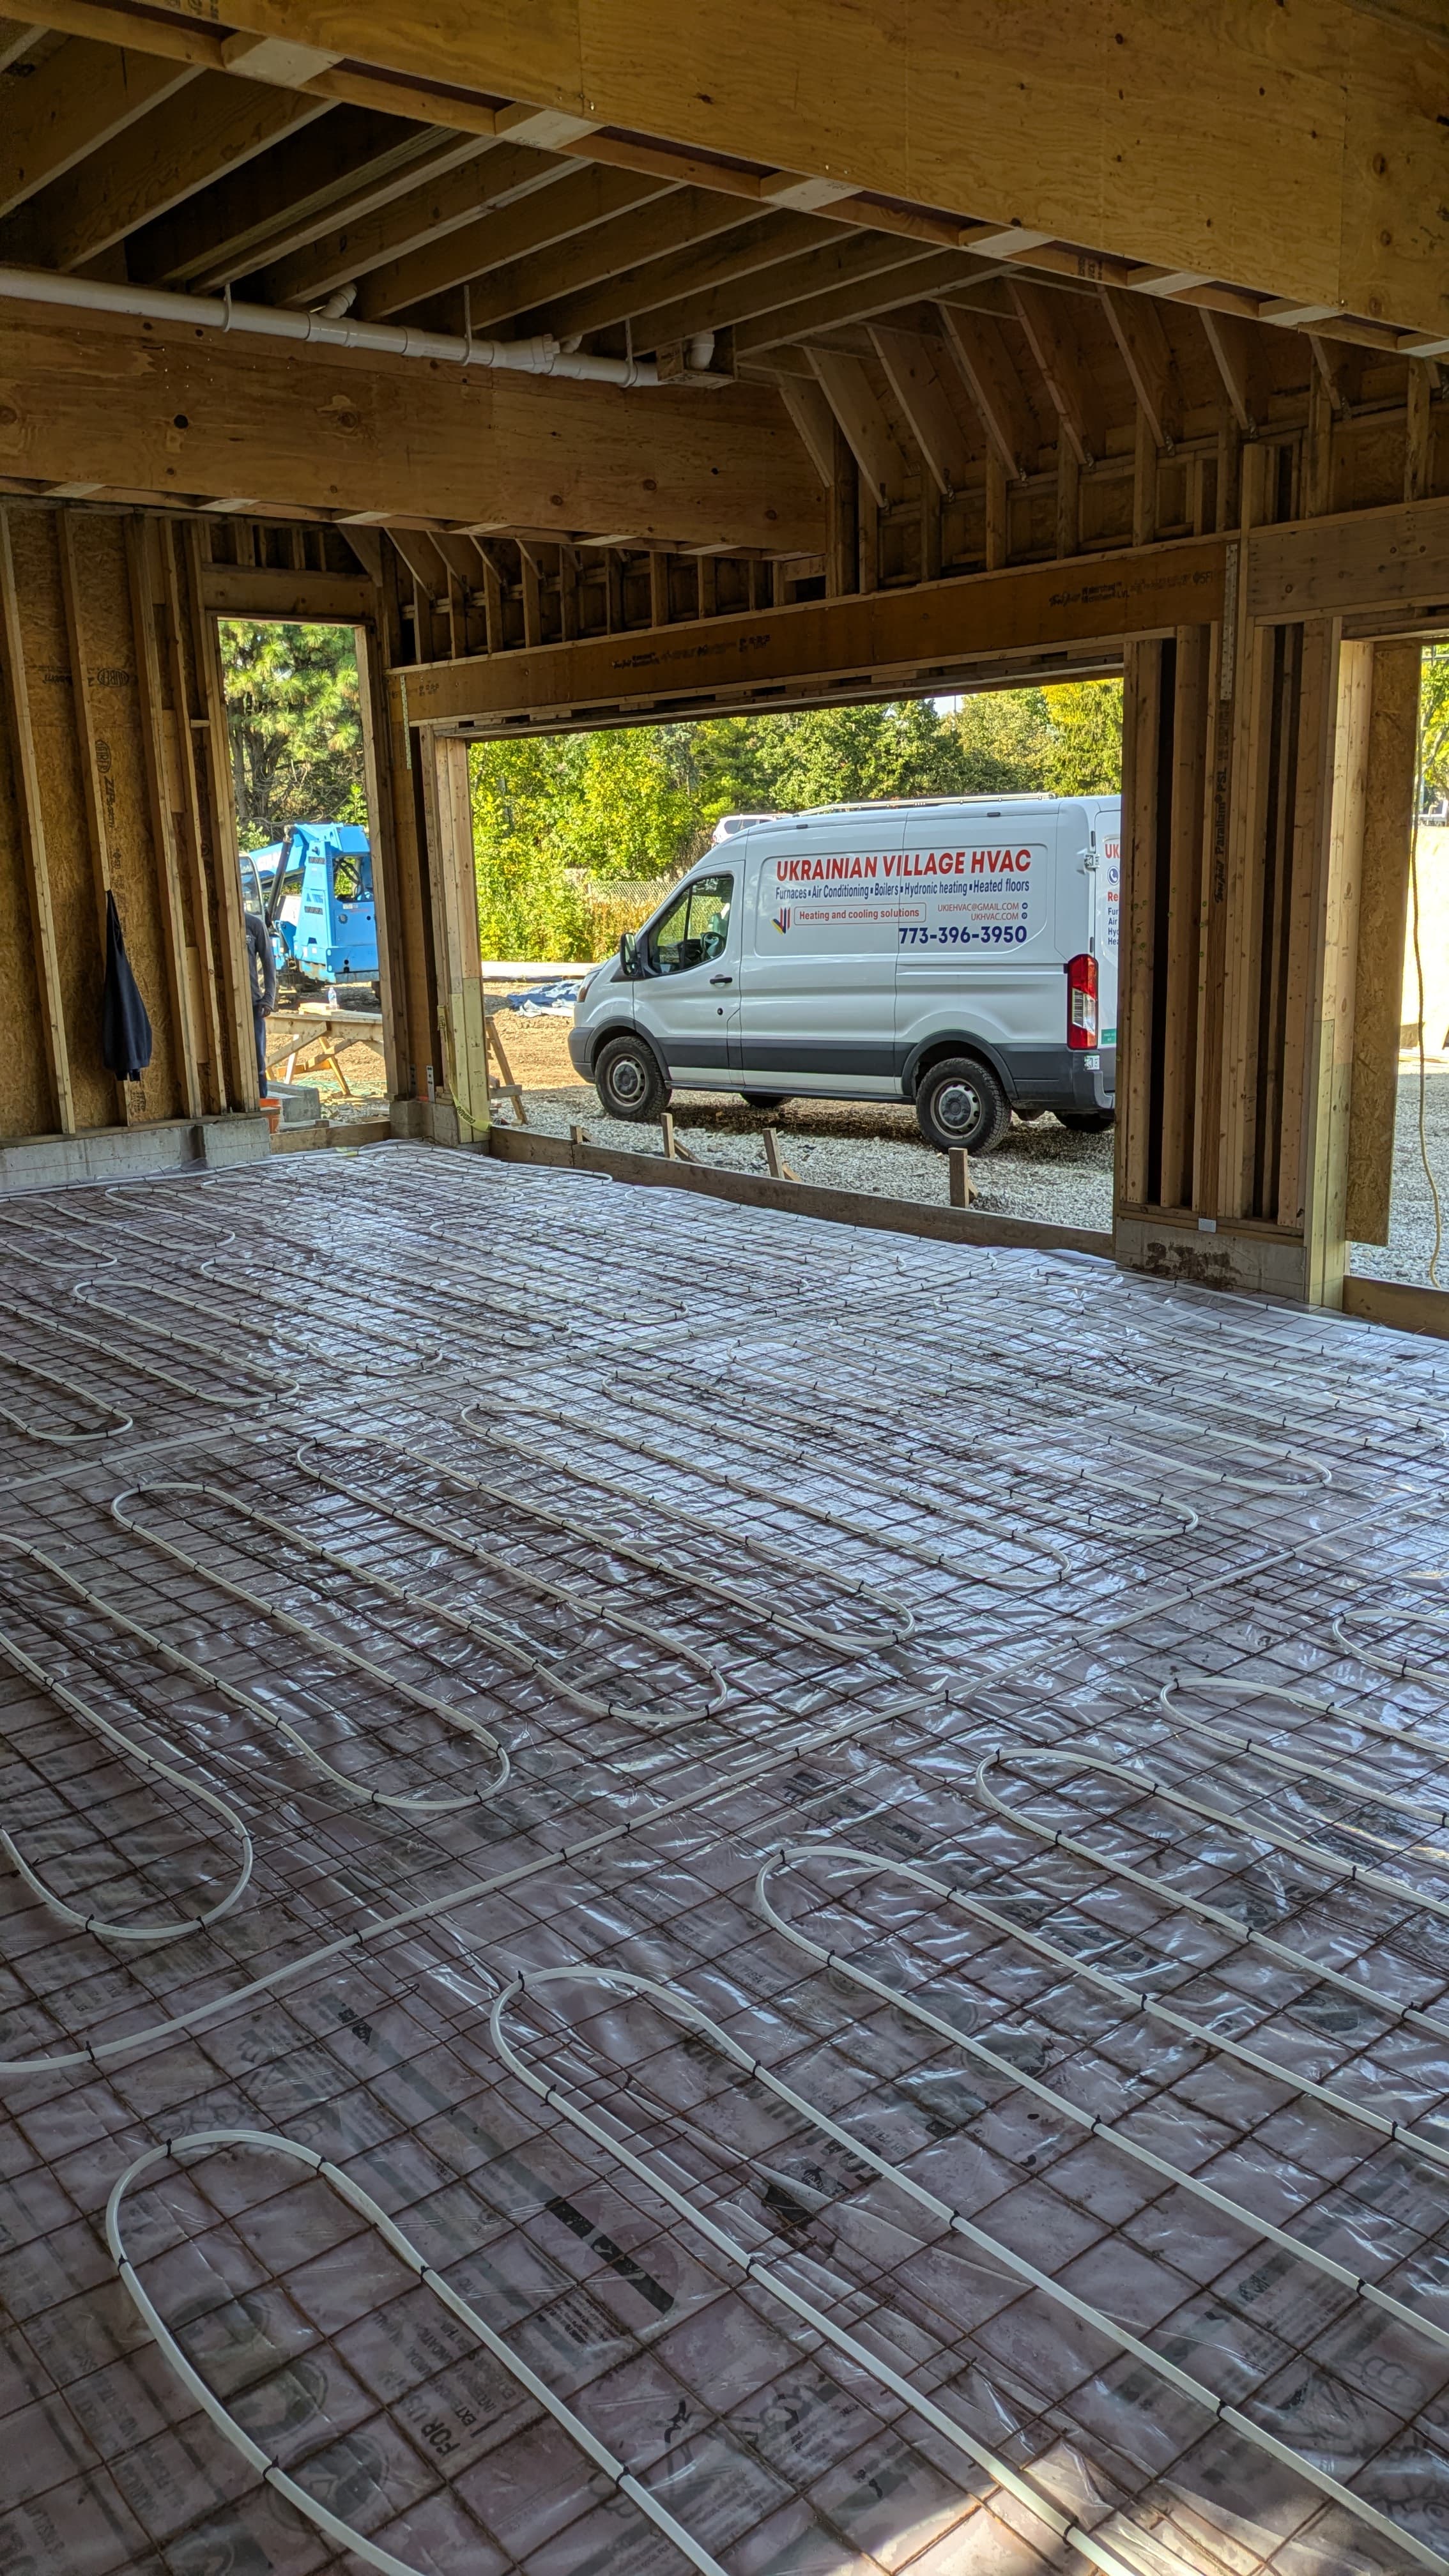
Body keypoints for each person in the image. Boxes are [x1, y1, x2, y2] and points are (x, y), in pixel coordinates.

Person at [245, 908, 278, 1098]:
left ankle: (261, 1099)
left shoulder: (253, 925)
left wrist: (269, 998)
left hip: (253, 1004)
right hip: (225, 1006)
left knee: (257, 1056)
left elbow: (269, 962)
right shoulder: (214, 923)